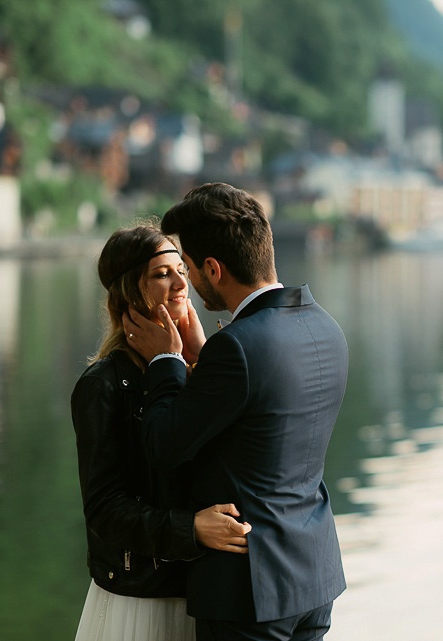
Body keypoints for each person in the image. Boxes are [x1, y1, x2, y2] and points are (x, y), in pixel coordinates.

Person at [123, 183, 349, 641]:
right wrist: (206, 359)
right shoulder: (326, 326)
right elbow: (258, 417)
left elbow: (163, 445)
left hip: (250, 590)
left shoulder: (238, 348)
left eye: (186, 267)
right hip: (313, 577)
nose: (185, 281)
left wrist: (167, 360)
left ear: (213, 267)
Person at [72, 224, 254, 641]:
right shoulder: (101, 385)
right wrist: (189, 529)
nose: (180, 284)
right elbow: (103, 509)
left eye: (182, 271)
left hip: (207, 590)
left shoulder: (200, 368)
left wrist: (201, 359)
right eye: (161, 274)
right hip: (143, 599)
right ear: (128, 293)